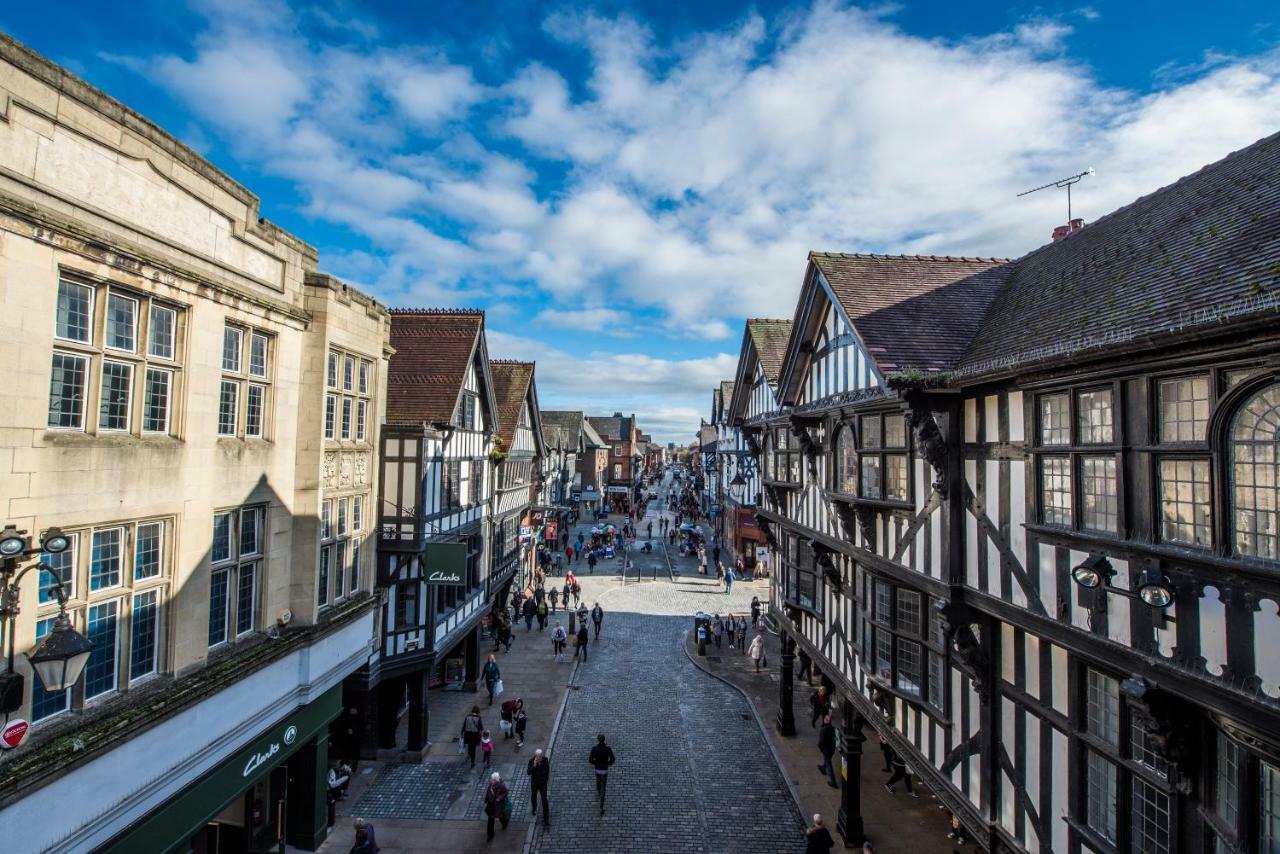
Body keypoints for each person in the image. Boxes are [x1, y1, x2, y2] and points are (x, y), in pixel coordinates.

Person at [588, 734, 616, 815]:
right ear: (604, 740)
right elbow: (612, 759)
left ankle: (599, 791)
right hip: (604, 770)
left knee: (598, 781)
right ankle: (601, 804)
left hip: (597, 769)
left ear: (598, 740)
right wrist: (608, 763)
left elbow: (590, 760)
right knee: (604, 785)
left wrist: (595, 763)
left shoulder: (594, 749)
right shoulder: (607, 749)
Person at [527, 749, 551, 827]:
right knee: (533, 797)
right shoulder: (531, 761)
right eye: (538, 756)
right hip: (535, 783)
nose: (539, 758)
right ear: (535, 755)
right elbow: (529, 772)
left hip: (543, 783)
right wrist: (534, 765)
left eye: (540, 756)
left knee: (544, 800)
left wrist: (546, 780)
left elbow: (547, 770)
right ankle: (534, 808)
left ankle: (546, 819)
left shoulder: (545, 760)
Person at [483, 772, 510, 841]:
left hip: (497, 805)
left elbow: (506, 792)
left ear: (497, 780)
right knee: (490, 820)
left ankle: (504, 823)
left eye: (494, 780)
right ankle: (490, 835)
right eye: (492, 779)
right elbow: (488, 791)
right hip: (491, 805)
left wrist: (500, 798)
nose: (492, 781)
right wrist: (486, 799)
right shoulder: (491, 785)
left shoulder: (501, 786)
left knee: (501, 816)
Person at [817, 714, 839, 789]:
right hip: (832, 749)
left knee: (829, 765)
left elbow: (821, 742)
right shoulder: (833, 728)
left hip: (826, 750)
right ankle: (823, 767)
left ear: (825, 721)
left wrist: (821, 748)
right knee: (827, 760)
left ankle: (833, 782)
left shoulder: (823, 730)